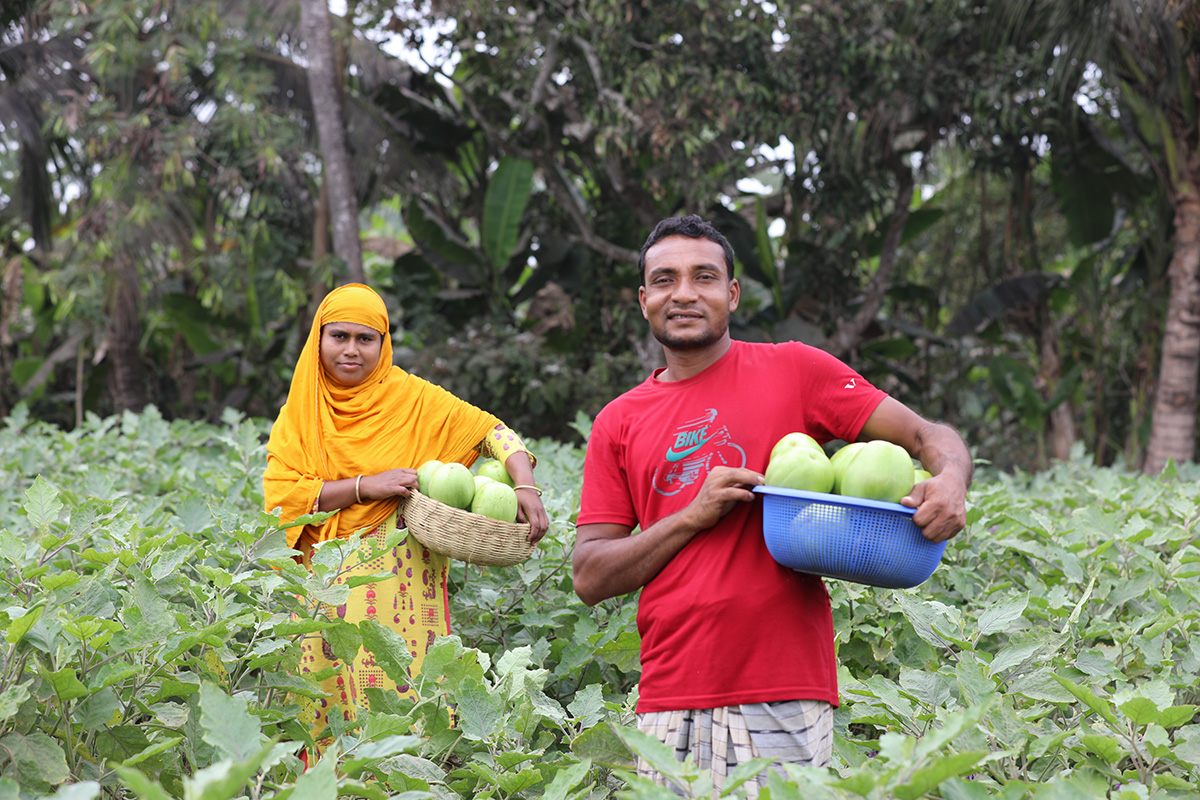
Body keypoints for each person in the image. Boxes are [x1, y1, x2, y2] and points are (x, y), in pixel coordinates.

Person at [572, 216, 971, 795]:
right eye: (664, 280)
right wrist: (691, 515)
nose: (683, 293)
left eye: (703, 277)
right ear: (644, 300)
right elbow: (589, 575)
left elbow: (928, 436)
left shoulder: (794, 370)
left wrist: (952, 479)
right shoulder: (618, 421)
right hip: (669, 692)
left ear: (731, 293)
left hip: (783, 687)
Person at [264, 282, 549, 755]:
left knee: (403, 711)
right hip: (324, 583)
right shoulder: (301, 411)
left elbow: (492, 431)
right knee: (323, 715)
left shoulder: (413, 398)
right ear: (319, 339)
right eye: (339, 337)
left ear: (384, 342)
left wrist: (524, 485)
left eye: (365, 338)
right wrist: (364, 486)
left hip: (403, 584)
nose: (351, 350)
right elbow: (283, 496)